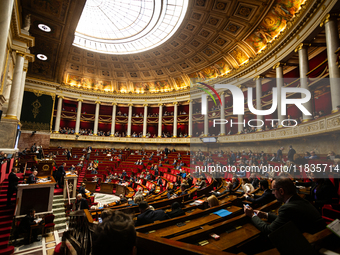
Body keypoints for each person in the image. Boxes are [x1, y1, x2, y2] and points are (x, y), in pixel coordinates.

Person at [244, 177, 325, 235]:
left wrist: (252, 215)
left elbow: (269, 230)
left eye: (273, 190)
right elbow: (284, 220)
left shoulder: (287, 208)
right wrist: (265, 215)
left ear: (281, 191)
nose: (272, 193)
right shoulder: (300, 200)